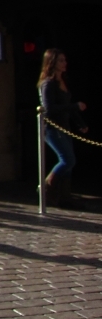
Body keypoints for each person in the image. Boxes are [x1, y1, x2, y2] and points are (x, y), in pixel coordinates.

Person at [39, 49, 89, 207]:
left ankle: (64, 197)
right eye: (61, 60)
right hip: (52, 128)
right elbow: (49, 109)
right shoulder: (48, 83)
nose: (64, 63)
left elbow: (68, 106)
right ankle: (46, 186)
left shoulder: (63, 81)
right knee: (67, 160)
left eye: (64, 60)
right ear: (52, 62)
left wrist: (80, 123)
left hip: (64, 126)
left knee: (69, 163)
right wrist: (75, 106)